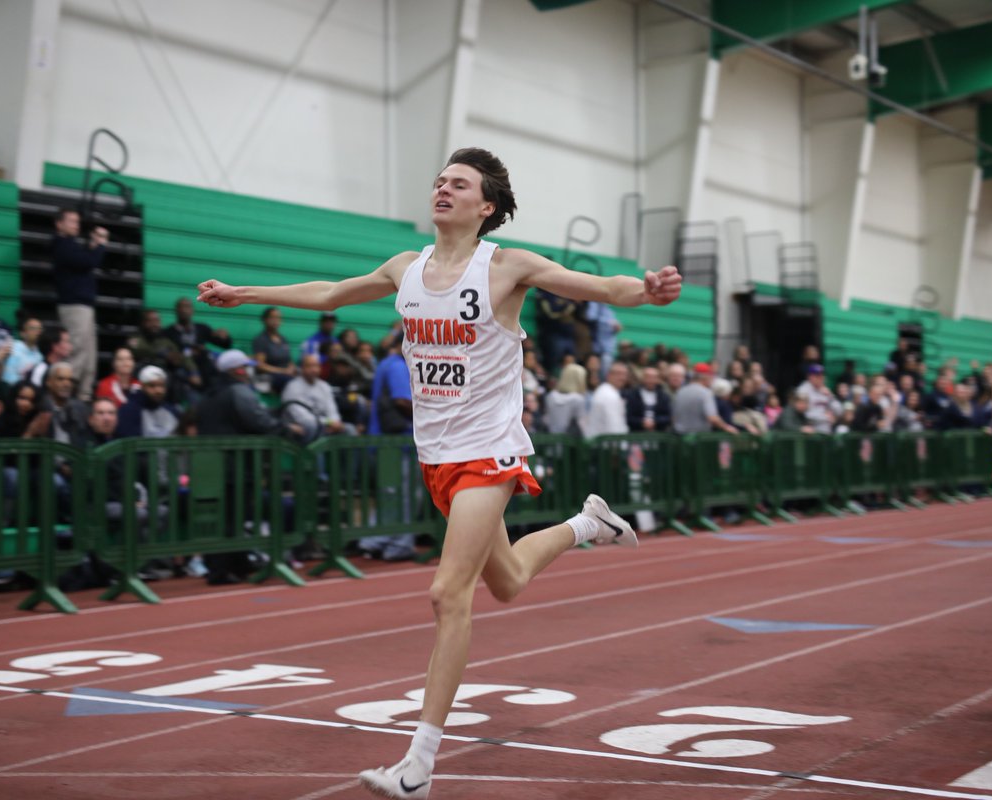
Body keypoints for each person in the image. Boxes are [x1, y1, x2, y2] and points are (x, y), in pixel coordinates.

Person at [197, 146, 682, 799]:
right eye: (439, 180)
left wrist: (644, 290)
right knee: (505, 581)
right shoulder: (408, 267)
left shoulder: (508, 266)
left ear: (486, 206)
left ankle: (419, 766)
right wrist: (243, 293)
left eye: (459, 183)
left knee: (447, 595)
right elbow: (333, 293)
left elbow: (599, 287)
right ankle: (586, 524)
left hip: (490, 449)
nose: (442, 189)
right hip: (437, 455)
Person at [51, 209, 107, 400]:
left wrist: (93, 244)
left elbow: (84, 259)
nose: (76, 224)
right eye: (71, 221)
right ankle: (64, 398)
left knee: (89, 357)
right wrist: (99, 245)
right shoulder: (61, 244)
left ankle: (83, 398)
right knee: (77, 353)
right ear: (59, 223)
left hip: (84, 305)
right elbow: (88, 261)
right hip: (74, 306)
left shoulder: (71, 245)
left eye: (77, 221)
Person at [281, 354, 353, 443]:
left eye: (316, 366)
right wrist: (328, 422)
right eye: (309, 366)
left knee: (350, 429)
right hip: (301, 429)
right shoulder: (292, 387)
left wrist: (335, 422)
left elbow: (332, 410)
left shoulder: (324, 386)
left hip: (325, 425)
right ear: (302, 368)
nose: (314, 369)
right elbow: (303, 418)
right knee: (313, 426)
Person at [252, 307, 298, 393]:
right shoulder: (261, 340)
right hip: (271, 377)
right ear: (265, 320)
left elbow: (289, 361)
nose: (276, 320)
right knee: (294, 384)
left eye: (278, 318)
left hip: (286, 374)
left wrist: (292, 368)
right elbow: (260, 366)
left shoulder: (283, 339)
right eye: (272, 317)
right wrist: (283, 371)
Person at [1, 317, 44, 386]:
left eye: (39, 329)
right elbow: (8, 376)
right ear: (23, 333)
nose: (37, 332)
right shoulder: (13, 347)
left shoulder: (40, 356)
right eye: (33, 328)